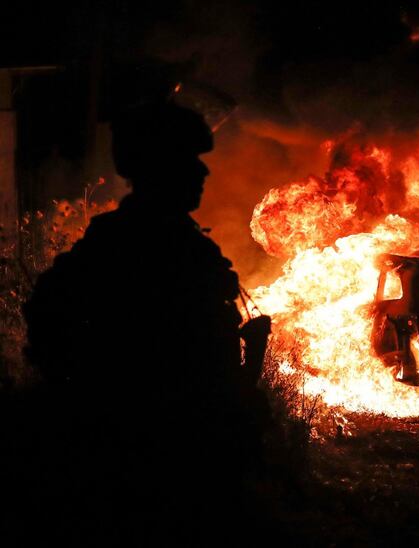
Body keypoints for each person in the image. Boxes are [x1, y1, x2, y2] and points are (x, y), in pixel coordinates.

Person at [17, 101, 271, 545]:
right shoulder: (149, 247)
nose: (202, 174)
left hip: (171, 447)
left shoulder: (156, 242)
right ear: (161, 170)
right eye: (190, 162)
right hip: (166, 456)